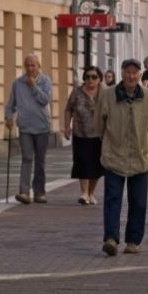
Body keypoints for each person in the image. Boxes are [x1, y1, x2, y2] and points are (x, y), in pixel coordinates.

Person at [95, 59, 148, 256]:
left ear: (139, 75)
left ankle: (133, 241)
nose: (131, 76)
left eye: (134, 72)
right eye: (127, 72)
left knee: (138, 202)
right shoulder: (108, 94)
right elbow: (99, 123)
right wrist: (107, 142)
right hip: (114, 155)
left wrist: (144, 144)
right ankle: (111, 239)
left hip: (139, 155)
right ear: (122, 74)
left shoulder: (146, 95)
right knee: (113, 199)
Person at [5, 54, 54, 204]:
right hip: (25, 126)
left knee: (40, 160)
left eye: (33, 65)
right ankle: (24, 192)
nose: (30, 68)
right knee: (26, 158)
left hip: (42, 126)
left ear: (38, 66)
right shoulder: (18, 83)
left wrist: (33, 86)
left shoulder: (45, 81)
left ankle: (39, 192)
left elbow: (44, 100)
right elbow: (11, 104)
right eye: (27, 65)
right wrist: (8, 117)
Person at [63, 66, 103, 206]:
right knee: (83, 162)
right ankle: (84, 193)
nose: (90, 79)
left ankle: (91, 193)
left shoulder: (104, 93)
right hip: (80, 133)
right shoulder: (77, 92)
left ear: (99, 79)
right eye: (87, 77)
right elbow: (68, 109)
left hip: (99, 135)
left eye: (94, 77)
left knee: (96, 165)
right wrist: (67, 127)